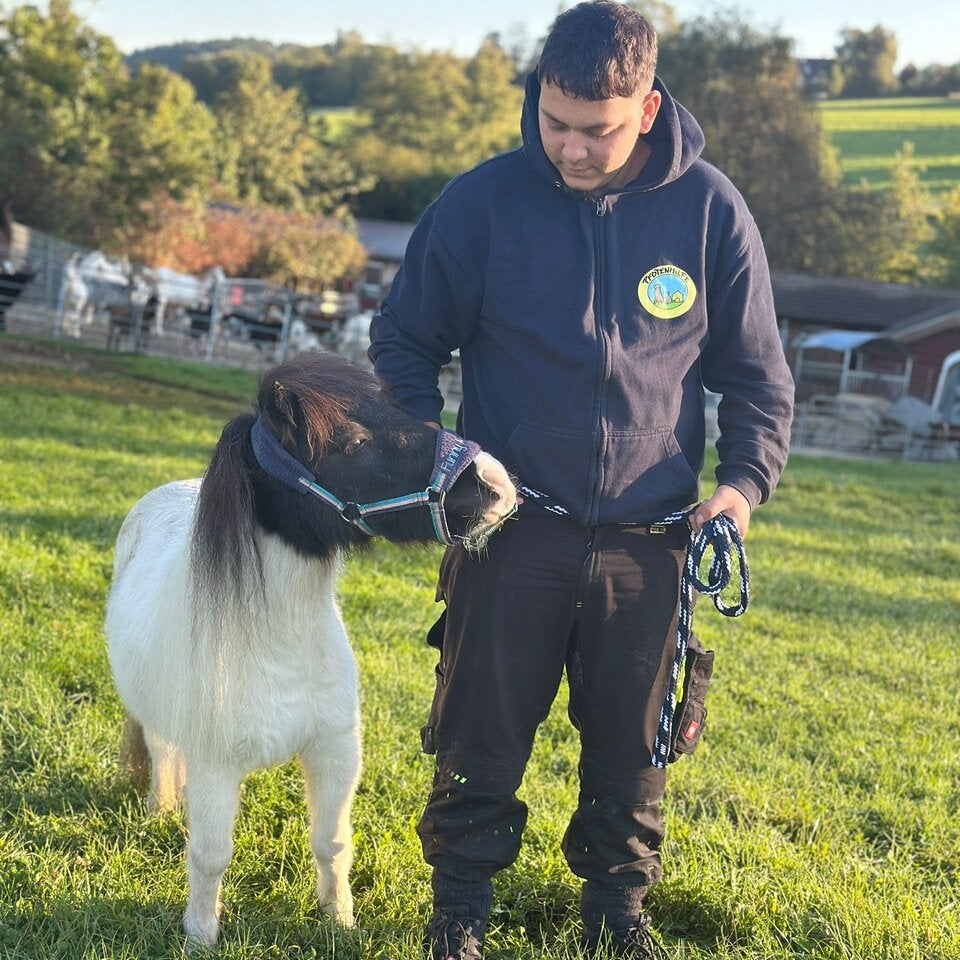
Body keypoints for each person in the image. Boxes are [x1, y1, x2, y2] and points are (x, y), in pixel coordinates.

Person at [368, 2, 795, 957]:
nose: (567, 146)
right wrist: (430, 444)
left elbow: (757, 375)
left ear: (646, 109)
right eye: (552, 120)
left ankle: (616, 915)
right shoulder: (481, 203)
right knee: (480, 730)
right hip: (509, 526)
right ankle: (460, 911)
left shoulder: (710, 209)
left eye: (593, 130)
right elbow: (403, 338)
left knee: (634, 748)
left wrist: (743, 485)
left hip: (653, 538)